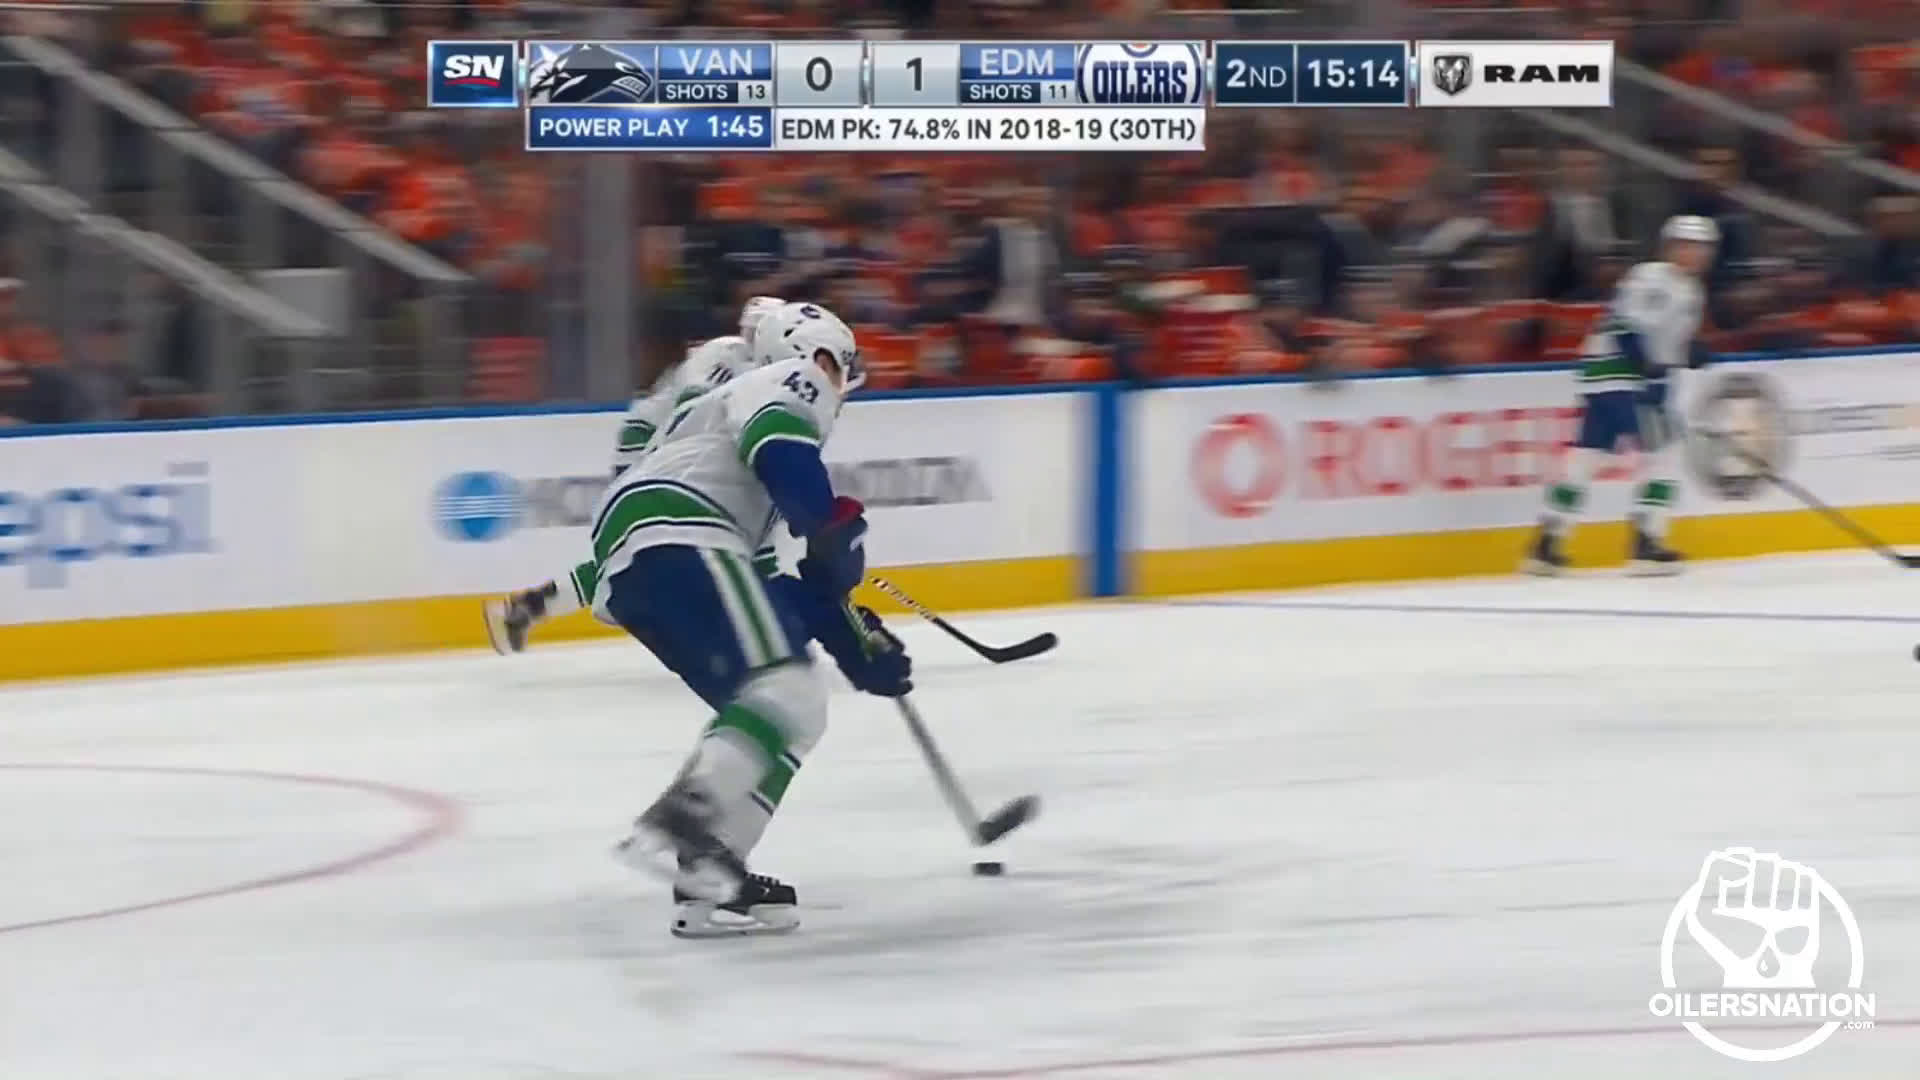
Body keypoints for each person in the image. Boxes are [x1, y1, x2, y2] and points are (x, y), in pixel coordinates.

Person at [597, 301, 911, 937]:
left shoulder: (731, 459)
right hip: (680, 530)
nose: (835, 380)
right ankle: (687, 813)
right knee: (784, 685)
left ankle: (707, 879)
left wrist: (851, 635)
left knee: (796, 705)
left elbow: (770, 592)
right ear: (811, 355)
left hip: (648, 561)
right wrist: (828, 525)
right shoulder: (784, 383)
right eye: (835, 363)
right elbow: (786, 454)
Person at [482, 296, 786, 655]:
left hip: (673, 447)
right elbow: (691, 413)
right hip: (655, 443)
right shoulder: (725, 355)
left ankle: (527, 608)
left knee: (643, 549)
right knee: (644, 547)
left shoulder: (763, 370)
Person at [1524, 215, 1718, 576]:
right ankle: (1646, 542)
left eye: (1702, 247)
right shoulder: (1650, 276)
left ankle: (1547, 543)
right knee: (1664, 453)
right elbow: (1625, 325)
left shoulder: (1692, 290)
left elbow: (1667, 345)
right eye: (1687, 245)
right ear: (1669, 247)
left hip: (1619, 377)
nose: (1695, 253)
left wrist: (1688, 353)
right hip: (1617, 372)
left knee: (1587, 456)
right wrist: (1645, 365)